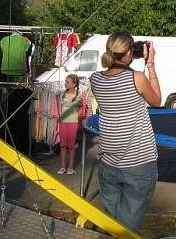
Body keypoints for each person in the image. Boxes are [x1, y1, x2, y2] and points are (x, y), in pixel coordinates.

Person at [89, 32, 161, 232]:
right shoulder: (136, 77)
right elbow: (156, 101)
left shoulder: (95, 79)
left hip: (108, 163)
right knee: (126, 231)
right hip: (138, 164)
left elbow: (115, 78)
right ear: (130, 53)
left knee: (114, 226)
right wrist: (150, 63)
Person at [58, 73, 88, 175]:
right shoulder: (63, 93)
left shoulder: (79, 95)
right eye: (65, 82)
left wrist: (76, 117)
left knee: (71, 146)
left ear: (74, 84)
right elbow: (62, 107)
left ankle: (70, 166)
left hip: (72, 123)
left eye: (67, 82)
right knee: (62, 145)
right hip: (63, 122)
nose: (65, 84)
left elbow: (80, 109)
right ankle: (62, 166)